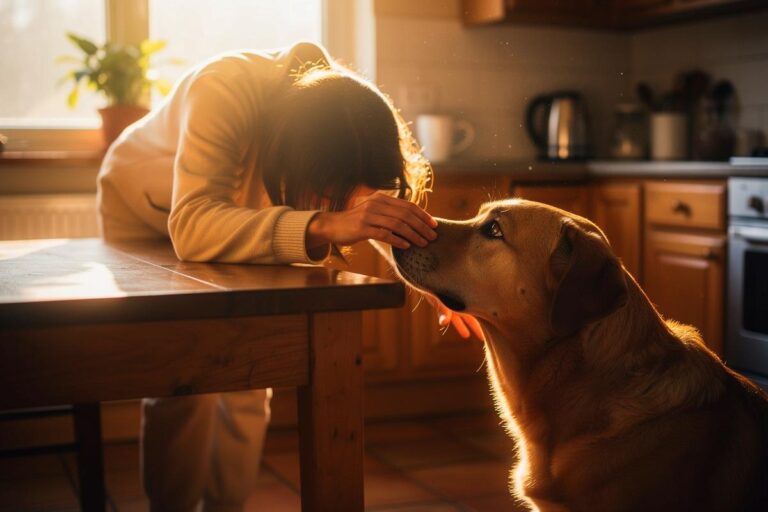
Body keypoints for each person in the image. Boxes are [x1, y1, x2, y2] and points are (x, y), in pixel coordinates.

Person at [96, 41, 479, 512]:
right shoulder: (224, 87)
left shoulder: (340, 114)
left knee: (254, 374)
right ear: (292, 160)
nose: (332, 208)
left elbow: (358, 207)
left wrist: (429, 272)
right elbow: (192, 224)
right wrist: (325, 224)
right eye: (323, 196)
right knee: (184, 377)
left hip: (237, 219)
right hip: (141, 213)